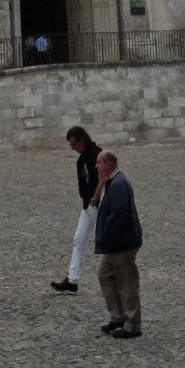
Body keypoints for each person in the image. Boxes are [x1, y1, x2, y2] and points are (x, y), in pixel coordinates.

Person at [94, 149, 144, 339]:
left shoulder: (119, 185)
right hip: (113, 244)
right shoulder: (112, 182)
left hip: (122, 244)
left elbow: (118, 216)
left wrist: (106, 234)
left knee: (127, 283)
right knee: (104, 274)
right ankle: (118, 315)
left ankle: (133, 324)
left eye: (99, 163)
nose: (96, 166)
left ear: (109, 164)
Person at [51, 125, 103, 294]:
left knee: (106, 240)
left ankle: (116, 275)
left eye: (74, 144)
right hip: (87, 205)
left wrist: (95, 198)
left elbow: (103, 178)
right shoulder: (82, 158)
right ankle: (72, 280)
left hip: (97, 204)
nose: (72, 147)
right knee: (78, 240)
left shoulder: (96, 155)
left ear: (81, 140)